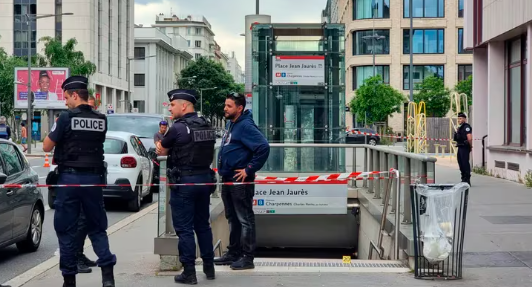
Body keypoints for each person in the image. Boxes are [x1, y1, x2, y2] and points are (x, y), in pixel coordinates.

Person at [43, 75, 116, 287]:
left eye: (67, 97)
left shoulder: (66, 118)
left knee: (66, 229)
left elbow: (47, 146)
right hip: (94, 180)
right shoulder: (101, 119)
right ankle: (108, 277)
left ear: (75, 95)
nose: (65, 102)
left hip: (70, 179)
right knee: (97, 228)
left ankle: (69, 280)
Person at [155, 89, 216, 284]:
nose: (170, 108)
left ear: (184, 106)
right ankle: (209, 267)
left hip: (185, 183)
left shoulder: (178, 128)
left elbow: (162, 149)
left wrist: (161, 145)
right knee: (203, 225)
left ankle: (189, 272)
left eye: (172, 105)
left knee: (185, 229)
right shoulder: (206, 124)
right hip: (205, 181)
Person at [214, 92, 270, 270]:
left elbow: (263, 147)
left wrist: (249, 169)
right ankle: (234, 253)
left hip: (240, 181)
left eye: (229, 106)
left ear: (239, 108)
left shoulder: (245, 125)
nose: (225, 108)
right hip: (228, 179)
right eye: (225, 105)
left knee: (245, 219)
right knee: (232, 218)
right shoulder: (232, 123)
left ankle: (247, 257)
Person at [453, 112, 472, 186]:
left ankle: (467, 180)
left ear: (464, 119)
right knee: (460, 163)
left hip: (464, 147)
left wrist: (471, 146)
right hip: (460, 147)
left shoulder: (466, 127)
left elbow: (469, 137)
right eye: (458, 118)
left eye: (460, 118)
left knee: (465, 163)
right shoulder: (460, 127)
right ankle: (463, 178)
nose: (459, 120)